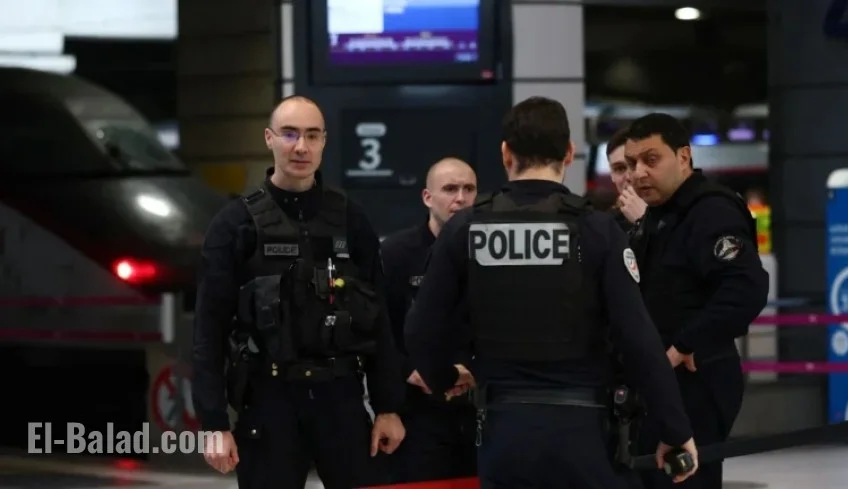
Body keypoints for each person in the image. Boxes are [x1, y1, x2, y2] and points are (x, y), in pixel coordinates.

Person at [403, 96, 699, 489]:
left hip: (503, 429)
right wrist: (675, 428)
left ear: (506, 154)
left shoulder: (467, 229)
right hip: (585, 431)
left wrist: (444, 380)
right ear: (570, 153)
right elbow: (638, 338)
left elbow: (420, 329)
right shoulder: (596, 230)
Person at [192, 95, 406, 489]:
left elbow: (379, 322)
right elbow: (209, 329)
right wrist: (213, 422)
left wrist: (388, 407)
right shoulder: (235, 224)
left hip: (340, 398)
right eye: (290, 134)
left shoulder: (350, 219)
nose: (301, 147)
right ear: (269, 139)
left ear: (324, 141)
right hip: (269, 400)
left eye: (311, 135)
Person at [622, 113, 769, 489]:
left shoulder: (711, 210)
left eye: (651, 160)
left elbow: (745, 289)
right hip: (660, 382)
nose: (638, 173)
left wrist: (686, 343)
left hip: (696, 382)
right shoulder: (657, 216)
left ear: (683, 157)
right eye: (631, 163)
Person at [381, 157, 479, 483]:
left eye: (469, 189)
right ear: (427, 197)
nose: (460, 198)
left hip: (477, 408)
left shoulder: (490, 252)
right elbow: (379, 331)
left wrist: (473, 370)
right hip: (417, 410)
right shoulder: (396, 254)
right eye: (450, 189)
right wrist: (409, 370)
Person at [606, 127, 647, 232]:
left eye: (635, 165)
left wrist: (643, 220)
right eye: (620, 168)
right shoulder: (602, 226)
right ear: (612, 176)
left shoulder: (679, 218)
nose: (629, 177)